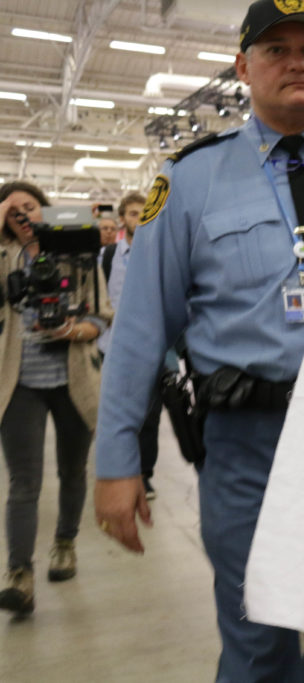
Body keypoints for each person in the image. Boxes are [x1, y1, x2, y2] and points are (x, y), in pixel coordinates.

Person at [92, 0, 304, 679]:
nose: (298, 61)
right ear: (243, 67)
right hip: (247, 442)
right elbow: (141, 330)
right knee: (257, 634)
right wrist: (118, 460)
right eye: (276, 50)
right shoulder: (190, 181)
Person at [0, 180, 112, 616]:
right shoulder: (5, 256)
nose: (24, 217)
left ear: (46, 211)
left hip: (72, 379)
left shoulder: (79, 254)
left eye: (31, 208)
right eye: (14, 212)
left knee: (72, 470)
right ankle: (19, 575)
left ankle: (65, 543)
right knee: (23, 482)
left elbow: (101, 318)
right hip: (17, 382)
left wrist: (71, 330)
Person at [98, 191, 163, 500]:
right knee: (115, 414)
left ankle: (145, 474)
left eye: (145, 212)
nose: (140, 217)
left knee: (150, 417)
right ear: (123, 218)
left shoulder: (160, 254)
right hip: (110, 348)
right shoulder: (106, 257)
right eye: (134, 213)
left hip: (151, 348)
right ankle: (115, 470)